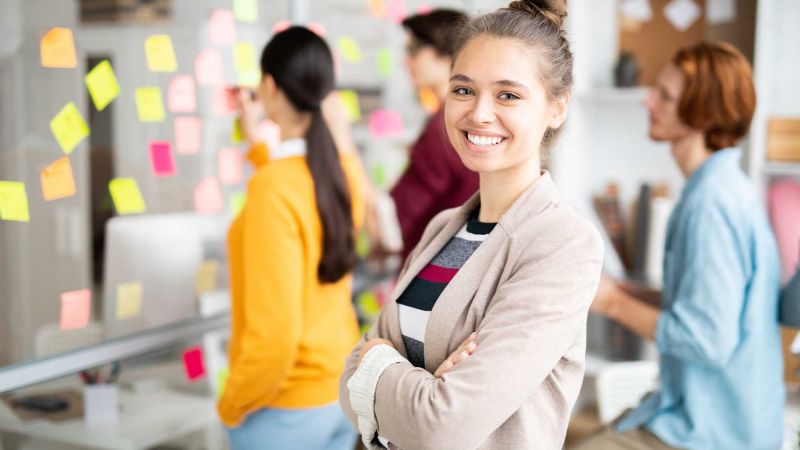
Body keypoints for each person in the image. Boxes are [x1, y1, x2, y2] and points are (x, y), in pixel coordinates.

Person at [339, 1, 604, 448]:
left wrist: (380, 363)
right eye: (463, 90)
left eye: (508, 95)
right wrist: (413, 383)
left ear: (556, 108)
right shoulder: (444, 227)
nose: (479, 113)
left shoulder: (562, 244)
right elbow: (347, 378)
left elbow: (440, 425)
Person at [577, 42, 784, 449]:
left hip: (714, 433)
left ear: (703, 114)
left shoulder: (712, 205)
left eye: (665, 96)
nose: (649, 101)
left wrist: (610, 303)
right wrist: (627, 291)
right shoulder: (720, 188)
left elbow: (706, 339)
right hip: (709, 415)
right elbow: (703, 306)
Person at [217, 27, 364, 450]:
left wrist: (231, 405)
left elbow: (274, 339)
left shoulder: (274, 190)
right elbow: (302, 197)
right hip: (337, 397)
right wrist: (255, 147)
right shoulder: (343, 175)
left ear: (268, 87)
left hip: (283, 411)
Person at [381, 9, 479, 262]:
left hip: (436, 268)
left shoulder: (445, 128)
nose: (406, 62)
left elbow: (395, 218)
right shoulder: (465, 120)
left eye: (414, 50)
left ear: (447, 53)